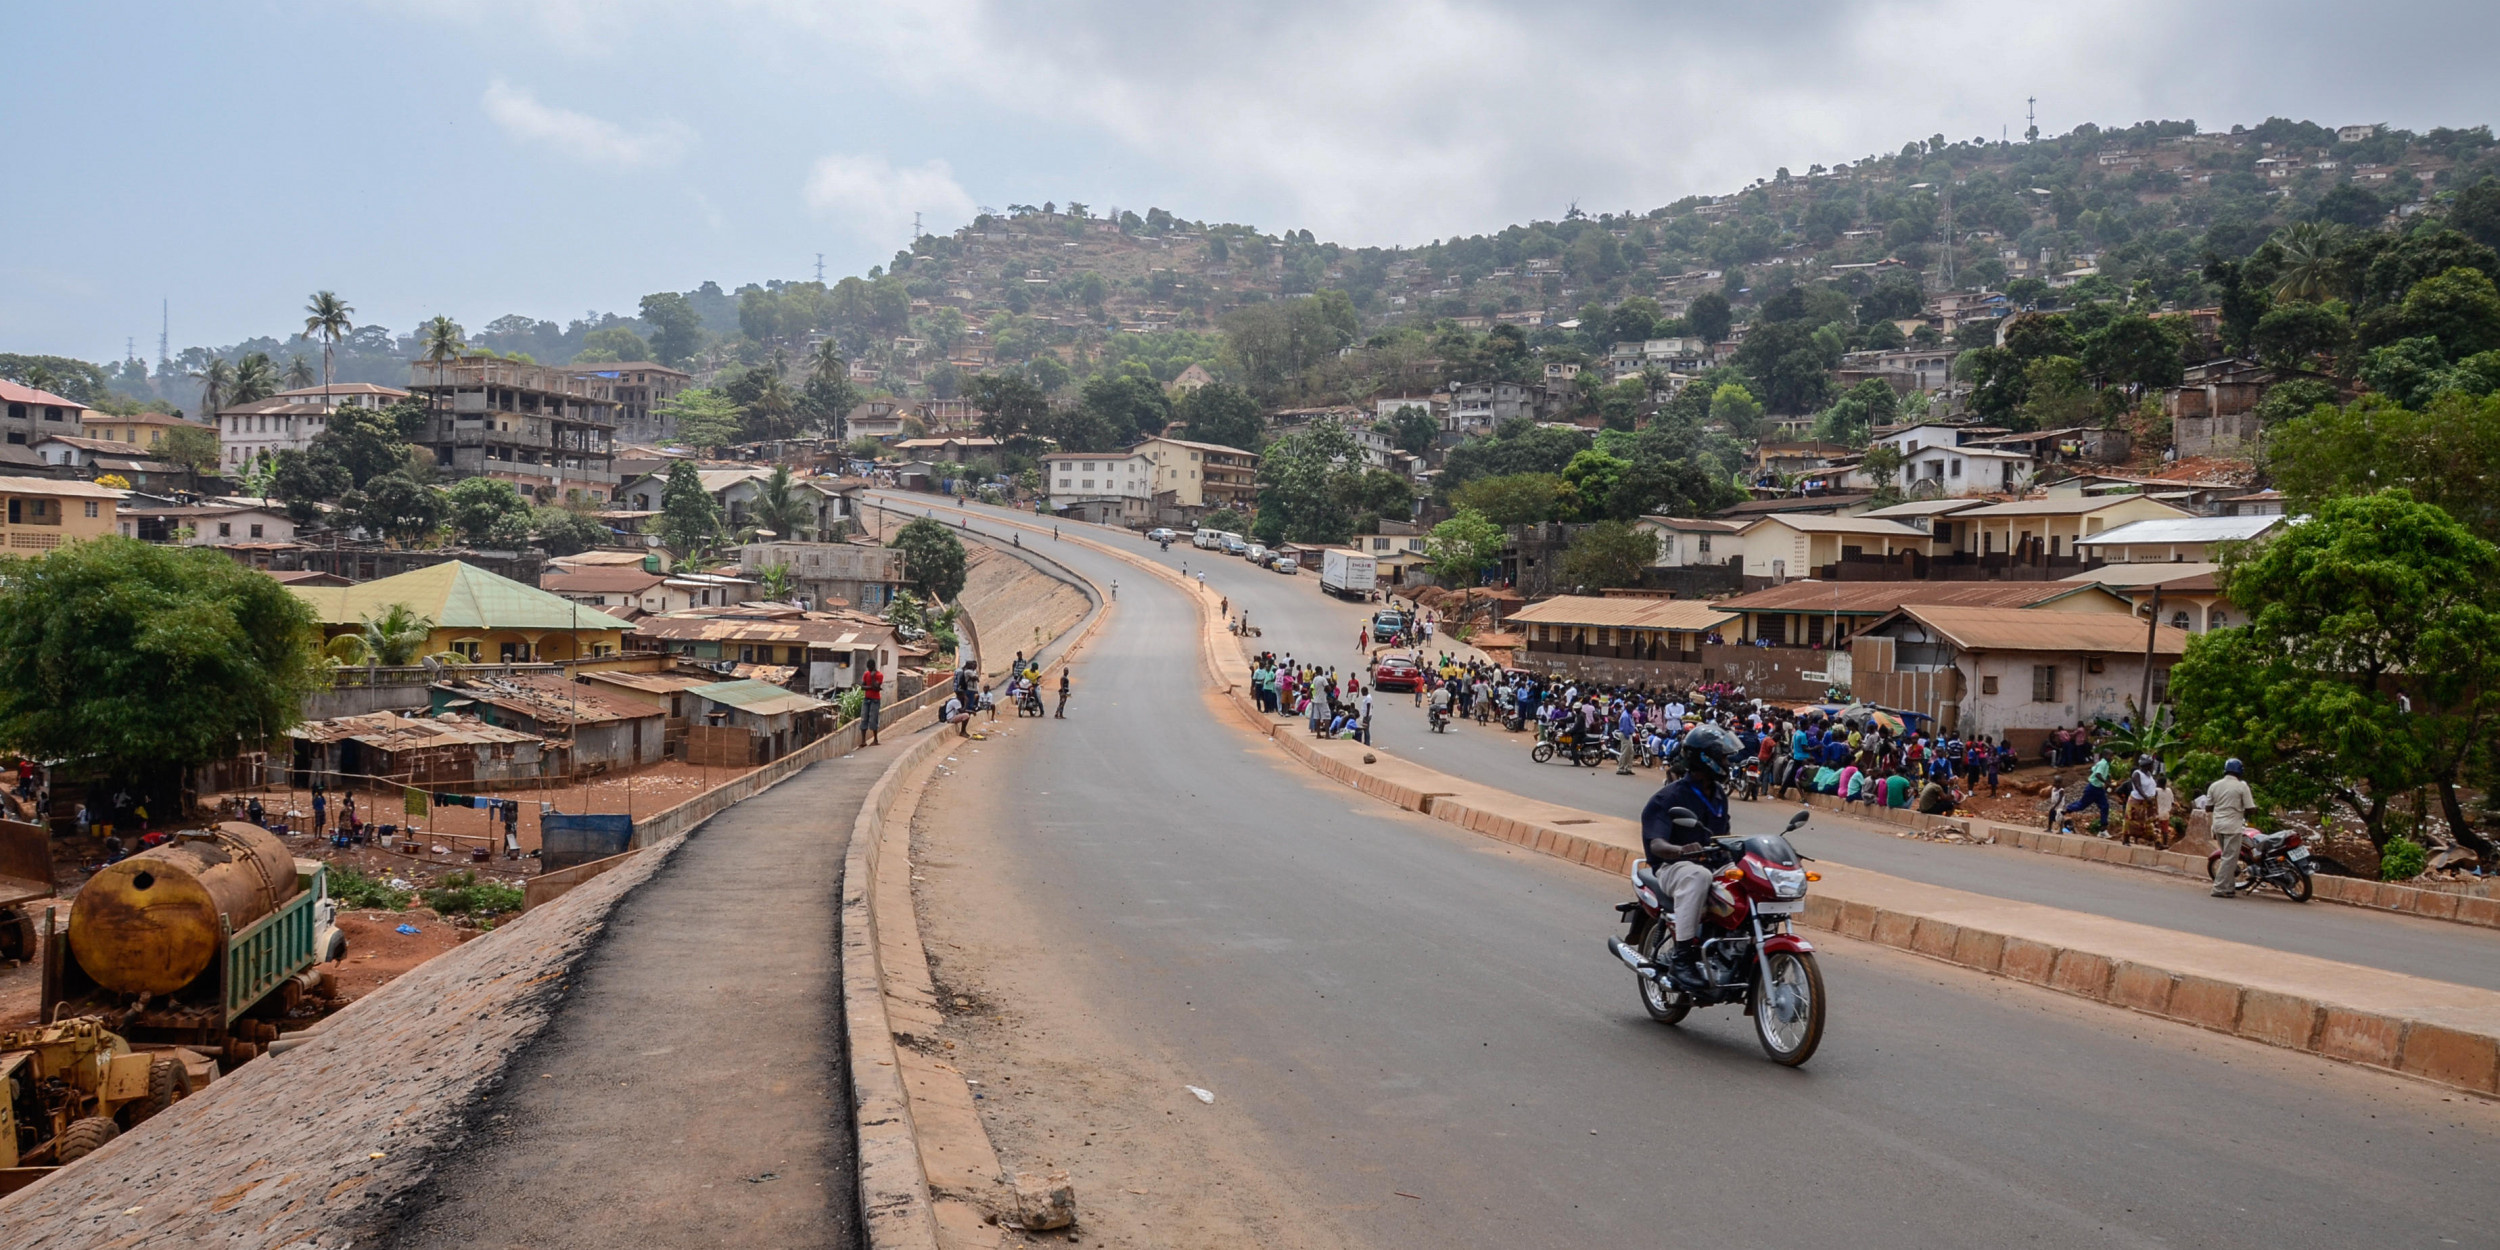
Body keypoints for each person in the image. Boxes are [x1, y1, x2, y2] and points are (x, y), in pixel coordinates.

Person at [1637, 724, 1740, 994]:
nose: (1728, 763)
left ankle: (1737, 946)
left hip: (1710, 863)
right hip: (1674, 868)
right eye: (1723, 758)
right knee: (1698, 876)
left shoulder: (1718, 795)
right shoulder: (1668, 797)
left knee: (1749, 878)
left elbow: (1723, 836)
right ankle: (1683, 957)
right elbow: (1657, 844)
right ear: (1706, 759)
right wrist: (1682, 851)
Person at [2207, 759, 2257, 898]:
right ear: (2239, 771)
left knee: (2226, 856)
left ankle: (2229, 888)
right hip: (2232, 827)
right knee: (2230, 858)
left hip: (2217, 826)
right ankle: (2218, 888)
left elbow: (2208, 807)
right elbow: (2250, 809)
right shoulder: (2242, 787)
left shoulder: (2215, 786)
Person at [2063, 750, 2113, 834]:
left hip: (2099, 789)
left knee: (2105, 806)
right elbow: (2097, 774)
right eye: (2110, 756)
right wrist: (2106, 782)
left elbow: (2093, 769)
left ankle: (2103, 828)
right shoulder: (2103, 763)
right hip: (2093, 788)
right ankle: (2067, 809)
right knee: (2082, 805)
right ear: (2106, 755)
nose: (2112, 758)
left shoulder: (2105, 764)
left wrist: (2107, 777)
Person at [2121, 754, 2163, 845]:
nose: (2152, 766)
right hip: (2136, 801)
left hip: (2149, 802)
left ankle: (2158, 842)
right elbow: (2138, 786)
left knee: (2153, 821)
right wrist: (2146, 797)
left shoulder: (2149, 775)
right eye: (2151, 764)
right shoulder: (2137, 774)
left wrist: (2153, 799)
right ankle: (2126, 839)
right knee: (2131, 821)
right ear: (2146, 765)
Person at [859, 660, 885, 746]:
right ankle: (863, 741)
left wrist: (873, 678)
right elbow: (862, 687)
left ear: (873, 667)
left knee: (873, 719)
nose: (869, 670)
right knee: (864, 718)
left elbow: (876, 687)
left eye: (870, 668)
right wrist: (872, 687)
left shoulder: (879, 675)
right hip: (867, 699)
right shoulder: (866, 674)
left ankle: (875, 740)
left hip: (875, 700)